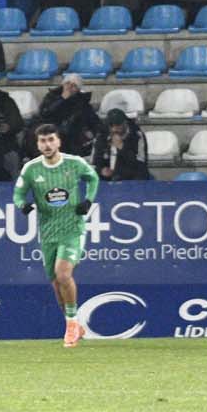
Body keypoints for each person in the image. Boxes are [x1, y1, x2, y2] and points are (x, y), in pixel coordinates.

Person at [15, 124, 101, 346]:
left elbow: (93, 178)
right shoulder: (31, 169)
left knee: (63, 275)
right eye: (42, 141)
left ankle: (71, 325)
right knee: (56, 283)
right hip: (48, 231)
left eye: (51, 140)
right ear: (37, 144)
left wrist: (88, 200)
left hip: (73, 227)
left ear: (58, 141)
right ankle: (73, 325)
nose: (47, 145)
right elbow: (18, 193)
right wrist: (22, 205)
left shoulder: (74, 163)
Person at [91, 108, 150, 182]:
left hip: (130, 178)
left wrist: (122, 147)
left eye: (118, 125)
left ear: (125, 123)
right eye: (111, 125)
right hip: (106, 179)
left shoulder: (136, 136)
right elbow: (93, 163)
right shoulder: (101, 135)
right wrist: (101, 170)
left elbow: (141, 166)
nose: (114, 129)